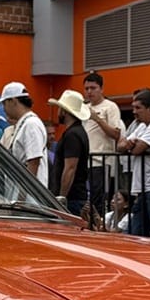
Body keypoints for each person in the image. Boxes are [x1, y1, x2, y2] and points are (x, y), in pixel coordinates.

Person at [114, 88, 150, 237]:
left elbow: (137, 149)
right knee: (137, 232)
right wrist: (128, 144)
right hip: (143, 187)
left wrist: (131, 144)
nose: (134, 111)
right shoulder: (141, 126)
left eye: (137, 108)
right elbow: (120, 146)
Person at [48, 89, 92, 217]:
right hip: (75, 196)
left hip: (72, 198)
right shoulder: (77, 132)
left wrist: (62, 197)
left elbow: (70, 168)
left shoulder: (72, 135)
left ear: (65, 111)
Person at [81, 72, 124, 201]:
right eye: (86, 88)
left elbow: (116, 134)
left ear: (101, 89)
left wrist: (97, 119)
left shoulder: (110, 107)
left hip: (101, 162)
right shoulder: (84, 108)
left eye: (93, 88)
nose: (89, 92)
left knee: (99, 201)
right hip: (84, 161)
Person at [0, 82, 48, 186]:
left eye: (4, 104)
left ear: (13, 101)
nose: (4, 109)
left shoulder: (31, 124)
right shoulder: (24, 124)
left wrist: (22, 196)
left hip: (29, 198)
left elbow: (34, 162)